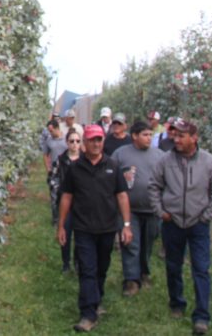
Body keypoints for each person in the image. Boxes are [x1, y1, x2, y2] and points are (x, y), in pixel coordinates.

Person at [148, 118, 212, 335]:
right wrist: (160, 211)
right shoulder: (166, 161)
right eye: (175, 135)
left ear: (194, 138)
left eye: (182, 135)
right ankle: (176, 303)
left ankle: (201, 316)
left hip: (198, 223)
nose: (176, 139)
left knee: (201, 268)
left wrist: (207, 216)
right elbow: (154, 186)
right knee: (173, 266)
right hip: (172, 222)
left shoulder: (208, 162)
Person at [58, 124, 133, 333]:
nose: (96, 143)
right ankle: (88, 313)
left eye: (99, 139)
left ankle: (96, 298)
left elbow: (122, 195)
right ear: (85, 143)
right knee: (87, 269)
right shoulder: (75, 168)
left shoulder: (113, 166)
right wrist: (62, 225)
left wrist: (126, 225)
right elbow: (66, 196)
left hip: (107, 227)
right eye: (92, 140)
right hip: (83, 228)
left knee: (101, 268)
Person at [111, 121, 166, 296]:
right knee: (130, 243)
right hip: (129, 209)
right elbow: (110, 176)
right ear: (134, 136)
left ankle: (143, 272)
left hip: (152, 209)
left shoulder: (159, 156)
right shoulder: (121, 154)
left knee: (148, 243)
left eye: (150, 135)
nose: (149, 138)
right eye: (145, 135)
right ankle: (131, 280)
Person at [50, 127, 83, 272]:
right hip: (65, 203)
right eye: (72, 141)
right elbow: (53, 179)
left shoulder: (85, 160)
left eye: (77, 141)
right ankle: (66, 263)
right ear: (67, 143)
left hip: (81, 204)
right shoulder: (61, 160)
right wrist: (60, 192)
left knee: (80, 234)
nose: (75, 144)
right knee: (65, 231)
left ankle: (77, 260)